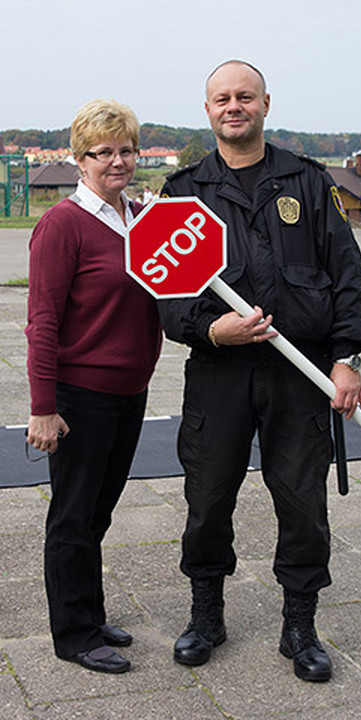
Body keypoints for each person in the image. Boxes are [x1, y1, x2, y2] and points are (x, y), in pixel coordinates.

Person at [158, 60, 361, 682]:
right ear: (208, 111)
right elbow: (167, 296)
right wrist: (211, 331)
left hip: (299, 372)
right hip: (219, 373)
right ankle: (206, 616)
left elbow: (346, 272)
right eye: (222, 98)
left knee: (303, 502)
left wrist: (346, 358)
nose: (234, 106)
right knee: (207, 500)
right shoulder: (183, 193)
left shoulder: (307, 182)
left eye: (245, 96)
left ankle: (299, 627)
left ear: (265, 104)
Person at [25, 99, 162, 674]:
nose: (117, 161)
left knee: (98, 513)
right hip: (81, 395)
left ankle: (90, 612)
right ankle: (74, 635)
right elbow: (42, 321)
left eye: (126, 150)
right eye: (102, 152)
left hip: (131, 392)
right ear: (79, 160)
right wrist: (43, 407)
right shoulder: (62, 224)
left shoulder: (144, 219)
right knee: (74, 517)